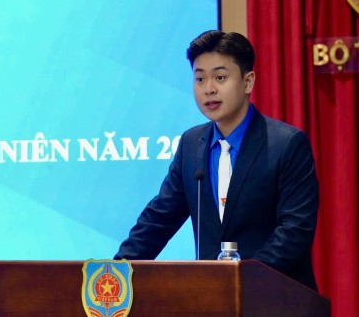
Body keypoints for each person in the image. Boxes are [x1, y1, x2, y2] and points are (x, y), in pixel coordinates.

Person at [114, 30, 319, 290]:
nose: (209, 89)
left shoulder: (286, 144)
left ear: (248, 82)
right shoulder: (191, 144)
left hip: (276, 297)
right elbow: (158, 219)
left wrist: (243, 280)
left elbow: (295, 231)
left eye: (220, 77)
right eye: (200, 78)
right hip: (213, 299)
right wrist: (114, 272)